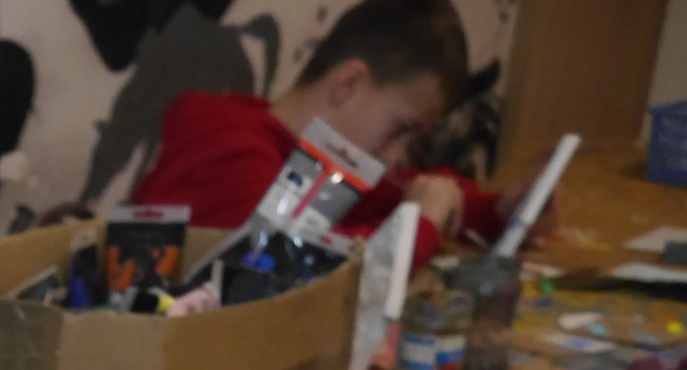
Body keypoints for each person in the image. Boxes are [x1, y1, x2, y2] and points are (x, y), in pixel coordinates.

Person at [133, 0, 550, 272]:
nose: (397, 157)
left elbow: (396, 194)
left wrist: (501, 212)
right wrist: (416, 226)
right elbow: (285, 273)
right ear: (348, 84)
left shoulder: (321, 162)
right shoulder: (227, 151)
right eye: (401, 129)